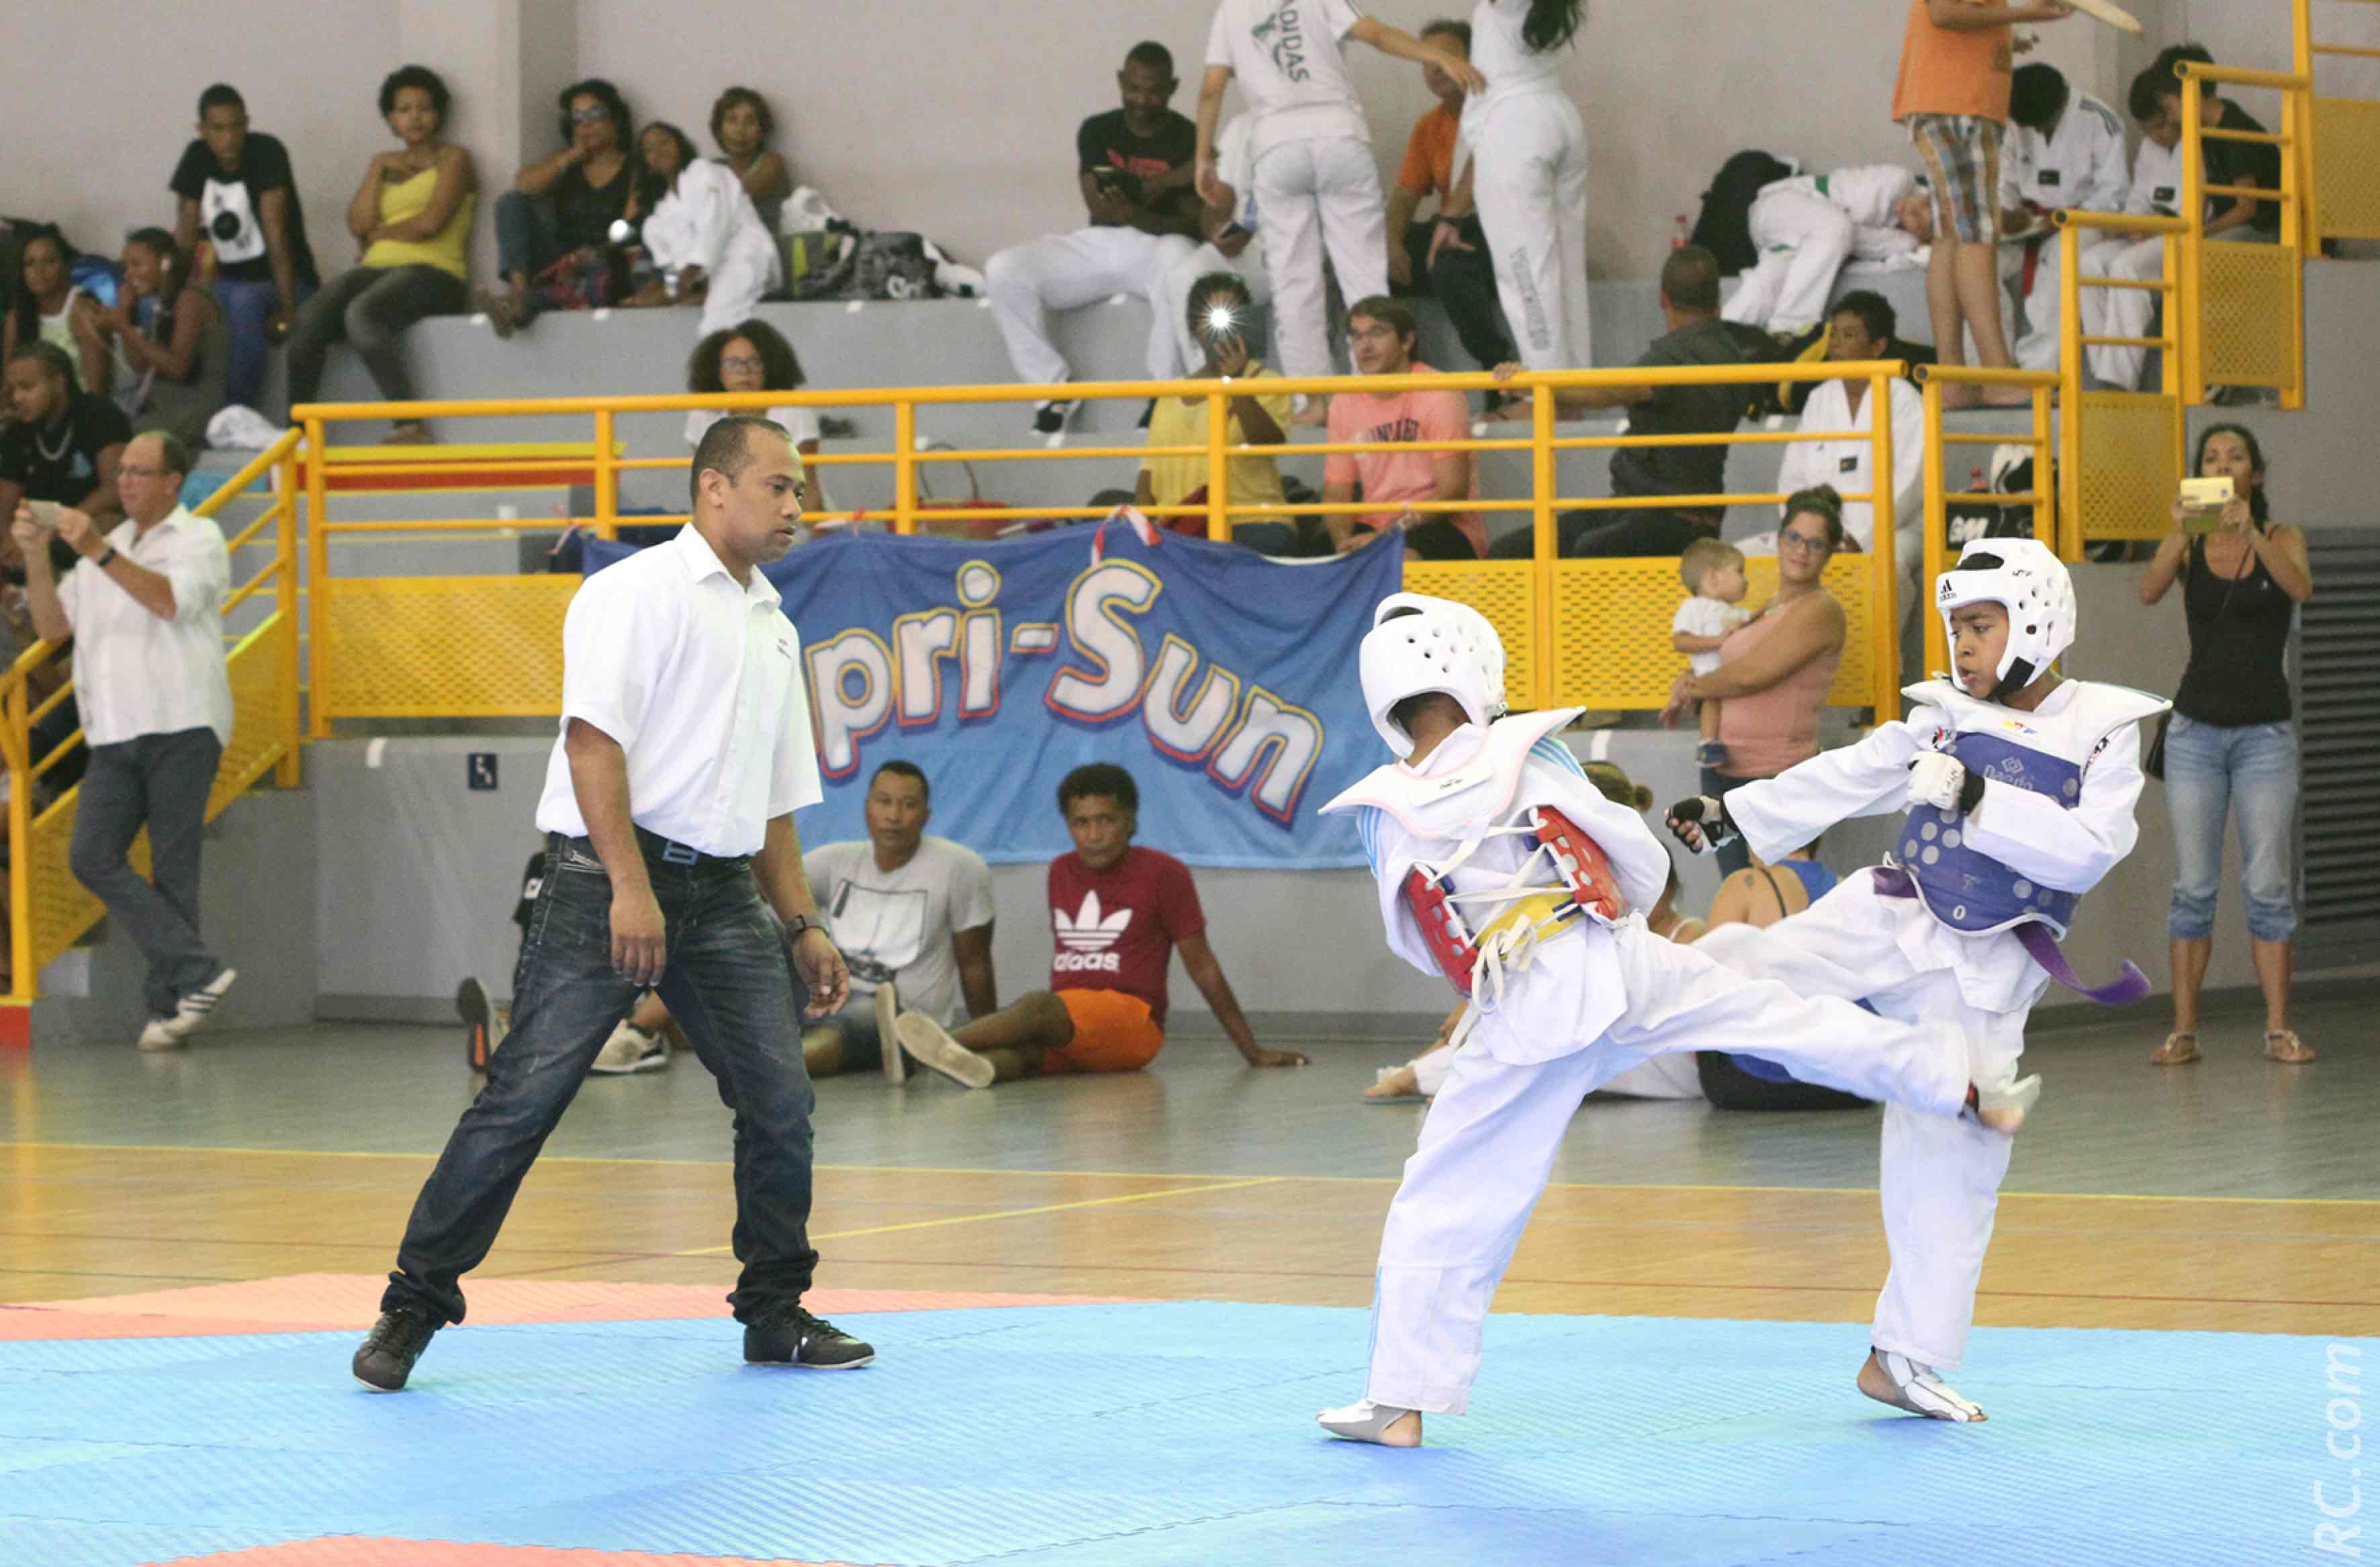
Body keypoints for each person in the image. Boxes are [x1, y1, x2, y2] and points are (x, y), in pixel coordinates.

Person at [1315, 592, 2032, 1447]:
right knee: (1781, 1018)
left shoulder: (1381, 808)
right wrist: (1620, 929)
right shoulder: (1531, 750)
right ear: (1475, 669)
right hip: (1619, 959)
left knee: (1446, 1197)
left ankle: (1400, 1401)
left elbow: (1422, 943)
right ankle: (1954, 1081)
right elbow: (1638, 858)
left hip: (1524, 1011)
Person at [352, 416, 871, 1394]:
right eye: (779, 487)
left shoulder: (775, 625)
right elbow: (594, 746)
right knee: (524, 1098)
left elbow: (770, 802)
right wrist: (631, 886)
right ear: (715, 488)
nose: (799, 507)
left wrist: (801, 922)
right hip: (606, 877)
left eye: (799, 491)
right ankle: (413, 1303)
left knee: (779, 1098)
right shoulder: (631, 592)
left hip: (721, 895)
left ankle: (774, 1311)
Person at [1668, 536, 2166, 1422]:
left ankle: (1904, 1356)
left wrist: (1978, 797)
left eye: (1981, 625)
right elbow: (1856, 772)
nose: (1963, 644)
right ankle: (1634, 989)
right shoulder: (1944, 711)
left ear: (2039, 620)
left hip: (1989, 964)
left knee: (1959, 1163)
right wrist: (1736, 810)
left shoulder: (2104, 726)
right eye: (1955, 626)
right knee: (1752, 960)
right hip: (1892, 910)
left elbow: (2094, 850)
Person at [12, 432, 238, 1051]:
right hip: (112, 730)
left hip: (181, 723)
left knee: (173, 872)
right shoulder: (106, 549)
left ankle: (170, 1008)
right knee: (91, 855)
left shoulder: (199, 540)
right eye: (124, 472)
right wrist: (36, 557)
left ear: (173, 481)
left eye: (142, 472)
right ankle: (198, 973)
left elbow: (168, 602)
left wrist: (92, 549)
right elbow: (55, 628)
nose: (128, 481)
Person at [886, 763, 1307, 1087]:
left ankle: (929, 1045)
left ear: (1130, 820)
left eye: (1106, 820)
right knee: (1022, 1055)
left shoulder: (1165, 873)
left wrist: (1251, 1051)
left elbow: (1203, 966)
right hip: (1068, 1022)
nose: (1094, 835)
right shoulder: (1061, 871)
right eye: (1081, 823)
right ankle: (967, 1065)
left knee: (1035, 1006)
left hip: (1131, 1024)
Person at [2138, 424, 2314, 1066]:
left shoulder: (2282, 537)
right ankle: (2184, 1032)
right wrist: (2184, 530)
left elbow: (2300, 589)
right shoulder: (2189, 542)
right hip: (2194, 733)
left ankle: (2277, 1029)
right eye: (2212, 458)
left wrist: (2252, 533)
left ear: (2255, 475)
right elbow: (2148, 589)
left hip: (2265, 731)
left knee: (2268, 883)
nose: (2224, 465)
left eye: (2235, 457)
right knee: (2194, 886)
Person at [1195, 0, 1484, 387]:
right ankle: (1376, 385)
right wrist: (1438, 55)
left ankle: (1311, 399)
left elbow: (1212, 89)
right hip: (1339, 137)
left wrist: (1203, 159)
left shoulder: (1231, 10)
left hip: (1277, 146)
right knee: (1363, 273)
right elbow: (1376, 34)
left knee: (1294, 283)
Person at [987, 43, 1205, 438]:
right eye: (1134, 88)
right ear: (1120, 81)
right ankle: (1054, 391)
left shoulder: (1188, 136)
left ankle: (1165, 394)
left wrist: (1137, 212)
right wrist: (1160, 185)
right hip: (1098, 243)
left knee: (1184, 259)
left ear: (1172, 89)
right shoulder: (1097, 129)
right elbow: (1096, 204)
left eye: (1154, 91)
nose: (1142, 100)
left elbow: (1194, 226)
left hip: (1156, 247)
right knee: (1003, 269)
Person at [1487, 247, 1747, 558]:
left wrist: (1531, 383)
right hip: (1634, 509)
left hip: (1669, 519)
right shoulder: (1732, 351)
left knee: (1581, 553)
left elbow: (1604, 392)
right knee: (1515, 550)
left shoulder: (1671, 360)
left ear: (1663, 298)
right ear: (1717, 298)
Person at [1892, 0, 2075, 409]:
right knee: (1975, 237)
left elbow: (1955, 21)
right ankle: (1996, 376)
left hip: (1950, 101)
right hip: (1960, 106)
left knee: (1951, 238)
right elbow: (1944, 12)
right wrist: (2025, 13)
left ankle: (1954, 380)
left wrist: (2005, 38)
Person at [286, 66, 476, 444]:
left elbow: (431, 223)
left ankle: (408, 423)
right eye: (403, 109)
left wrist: (379, 234)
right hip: (377, 268)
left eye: (423, 108)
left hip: (435, 272)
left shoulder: (454, 158)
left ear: (439, 113)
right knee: (307, 318)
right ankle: (296, 434)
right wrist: (377, 169)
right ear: (390, 118)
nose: (415, 117)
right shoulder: (384, 163)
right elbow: (358, 223)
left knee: (362, 313)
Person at [1667, 489, 1849, 877]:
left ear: (1831, 552)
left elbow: (1753, 675)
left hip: (1777, 775)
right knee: (1739, 893)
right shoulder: (1768, 605)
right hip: (1723, 770)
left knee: (1775, 901)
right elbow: (1724, 664)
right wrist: (1692, 679)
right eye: (1795, 538)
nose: (1802, 550)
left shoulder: (1822, 608)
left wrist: (1693, 688)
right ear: (1780, 540)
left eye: (1816, 544)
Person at [802, 760, 999, 1081]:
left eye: (908, 805)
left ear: (926, 816)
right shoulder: (837, 860)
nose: (894, 816)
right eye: (884, 802)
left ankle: (774, 1068)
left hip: (903, 1015)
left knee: (854, 1023)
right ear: (867, 808)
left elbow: (975, 962)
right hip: (830, 998)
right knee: (768, 930)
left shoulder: (959, 867)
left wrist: (988, 1036)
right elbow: (768, 889)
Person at [1453, 0, 1592, 371]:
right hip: (1556, 112)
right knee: (1565, 267)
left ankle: (1549, 394)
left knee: (1526, 270)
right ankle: (1575, 387)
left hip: (1515, 124)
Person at [170, 84, 319, 412]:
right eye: (218, 129)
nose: (229, 139)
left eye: (237, 126)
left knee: (245, 301)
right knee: (172, 303)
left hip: (290, 282)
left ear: (247, 123)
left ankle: (237, 412)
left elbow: (276, 234)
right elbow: (185, 236)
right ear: (202, 131)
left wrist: (288, 309)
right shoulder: (197, 156)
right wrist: (170, 298)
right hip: (228, 284)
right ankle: (180, 414)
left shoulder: (267, 152)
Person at [1385, 19, 1516, 378]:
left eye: (1444, 57)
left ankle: (1497, 368)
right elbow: (1403, 197)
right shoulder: (1429, 125)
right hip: (1449, 234)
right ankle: (1404, 375)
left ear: (1473, 60)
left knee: (1448, 266)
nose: (1434, 68)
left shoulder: (1500, 111)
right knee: (1366, 262)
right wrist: (1392, 242)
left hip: (1497, 235)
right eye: (1426, 60)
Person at [1132, 272, 1297, 552]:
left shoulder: (1268, 382)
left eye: (1234, 315)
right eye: (1213, 317)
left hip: (1252, 522)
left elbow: (1268, 442)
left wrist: (1234, 385)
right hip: (1178, 529)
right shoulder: (1170, 396)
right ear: (1195, 327)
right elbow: (1148, 474)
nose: (1223, 327)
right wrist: (1141, 531)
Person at [1766, 291, 1926, 571]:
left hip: (1894, 530)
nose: (1836, 345)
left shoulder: (1903, 399)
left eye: (1849, 335)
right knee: (1755, 555)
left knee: (1888, 565)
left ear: (1877, 346)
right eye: (1834, 335)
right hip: (1820, 534)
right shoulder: (1819, 399)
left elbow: (1908, 485)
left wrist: (1860, 539)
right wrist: (1804, 533)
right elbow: (1792, 477)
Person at [1322, 295, 1483, 560]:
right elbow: (1336, 492)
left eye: (1377, 333)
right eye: (1357, 337)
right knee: (1311, 564)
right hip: (1373, 526)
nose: (1366, 346)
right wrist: (1343, 545)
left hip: (1441, 525)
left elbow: (1452, 490)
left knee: (1398, 560)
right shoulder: (1344, 400)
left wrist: (1383, 539)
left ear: (1407, 341)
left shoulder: (1438, 391)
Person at [482, 79, 640, 336]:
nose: (587, 124)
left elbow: (630, 227)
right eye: (578, 118)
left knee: (596, 268)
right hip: (560, 264)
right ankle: (519, 295)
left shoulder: (635, 168)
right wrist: (569, 157)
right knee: (510, 202)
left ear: (616, 120)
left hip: (608, 263)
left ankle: (530, 304)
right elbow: (523, 186)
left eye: (596, 114)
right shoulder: (567, 165)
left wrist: (590, 256)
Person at [2068, 64, 2192, 391]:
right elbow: (2139, 196)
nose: (2157, 136)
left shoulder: (2198, 144)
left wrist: (2153, 226)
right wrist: (2125, 224)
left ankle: (2119, 381)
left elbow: (2197, 212)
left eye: (2162, 127)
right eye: (2149, 130)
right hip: (2147, 231)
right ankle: (2100, 371)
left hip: (2182, 236)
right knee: (2090, 263)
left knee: (2126, 267)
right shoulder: (2151, 148)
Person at [1997, 63, 2125, 371]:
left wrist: (2062, 219)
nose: (2038, 132)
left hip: (2084, 222)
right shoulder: (2016, 120)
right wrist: (2006, 212)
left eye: (2042, 125)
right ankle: (1990, 368)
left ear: (2062, 102)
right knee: (1979, 260)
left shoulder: (2100, 120)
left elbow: (2115, 196)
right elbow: (2005, 181)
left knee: (2062, 257)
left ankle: (2038, 373)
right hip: (2028, 223)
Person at [1719, 165, 1932, 338]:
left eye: (1922, 223)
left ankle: (1716, 342)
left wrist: (1909, 245)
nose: (1918, 215)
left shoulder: (1899, 234)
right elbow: (1849, 233)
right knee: (1836, 228)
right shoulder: (1899, 181)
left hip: (1795, 235)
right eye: (1925, 205)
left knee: (1768, 282)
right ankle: (1791, 331)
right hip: (1777, 206)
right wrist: (1906, 242)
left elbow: (1860, 254)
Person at [1152, 113, 1275, 386]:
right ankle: (1202, 387)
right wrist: (1218, 231)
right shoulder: (1242, 127)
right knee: (1186, 274)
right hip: (1251, 249)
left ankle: (1304, 399)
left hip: (1302, 252)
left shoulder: (1324, 124)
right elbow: (1213, 207)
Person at [630, 123, 784, 341]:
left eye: (665, 142)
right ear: (646, 162)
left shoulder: (705, 172)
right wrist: (668, 292)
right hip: (704, 277)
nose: (660, 151)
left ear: (680, 145)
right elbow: (672, 267)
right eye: (650, 149)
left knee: (718, 320)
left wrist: (689, 277)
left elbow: (714, 225)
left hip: (743, 255)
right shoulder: (656, 218)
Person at [91, 230, 226, 448]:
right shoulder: (160, 302)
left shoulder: (190, 299)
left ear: (165, 263)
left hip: (195, 406)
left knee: (121, 438)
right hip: (161, 400)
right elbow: (139, 365)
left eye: (136, 265)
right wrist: (125, 312)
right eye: (125, 267)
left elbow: (178, 368)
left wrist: (124, 329)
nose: (127, 275)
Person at [2142, 44, 2282, 242]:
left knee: (2201, 254)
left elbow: (2247, 208)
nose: (2171, 118)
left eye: (2169, 108)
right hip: (2235, 225)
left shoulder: (2237, 130)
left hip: (2265, 229)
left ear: (2190, 93)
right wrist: (2190, 229)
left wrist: (2203, 232)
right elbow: (2202, 186)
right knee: (2179, 247)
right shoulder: (2201, 128)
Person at [685, 321, 827, 512]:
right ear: (717, 371)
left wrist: (821, 537)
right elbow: (709, 491)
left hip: (791, 520)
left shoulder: (794, 411)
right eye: (733, 363)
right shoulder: (702, 414)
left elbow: (807, 488)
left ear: (769, 367)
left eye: (754, 362)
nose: (744, 371)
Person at [0, 343, 133, 525]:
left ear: (58, 383)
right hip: (37, 528)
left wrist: (58, 529)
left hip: (85, 524)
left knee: (107, 523)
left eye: (27, 387)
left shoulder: (100, 415)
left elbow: (115, 488)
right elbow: (6, 504)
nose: (16, 398)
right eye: (13, 389)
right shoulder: (17, 431)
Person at [1669, 538, 1752, 768]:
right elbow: (1680, 641)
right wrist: (1718, 641)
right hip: (1708, 673)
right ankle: (1708, 744)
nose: (1746, 580)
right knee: (1712, 700)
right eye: (1740, 572)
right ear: (1714, 578)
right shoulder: (1694, 607)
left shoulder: (1739, 612)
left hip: (1734, 674)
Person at [3, 227, 107, 395]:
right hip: (35, 411)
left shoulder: (83, 309)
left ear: (65, 266)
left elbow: (97, 393)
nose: (39, 271)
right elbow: (8, 387)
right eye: (30, 264)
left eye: (49, 262)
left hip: (84, 410)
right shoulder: (16, 317)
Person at [711, 87, 792, 232]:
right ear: (719, 130)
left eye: (750, 121)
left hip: (768, 249)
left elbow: (736, 199)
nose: (740, 130)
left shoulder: (773, 163)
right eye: (732, 120)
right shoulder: (714, 167)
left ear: (761, 131)